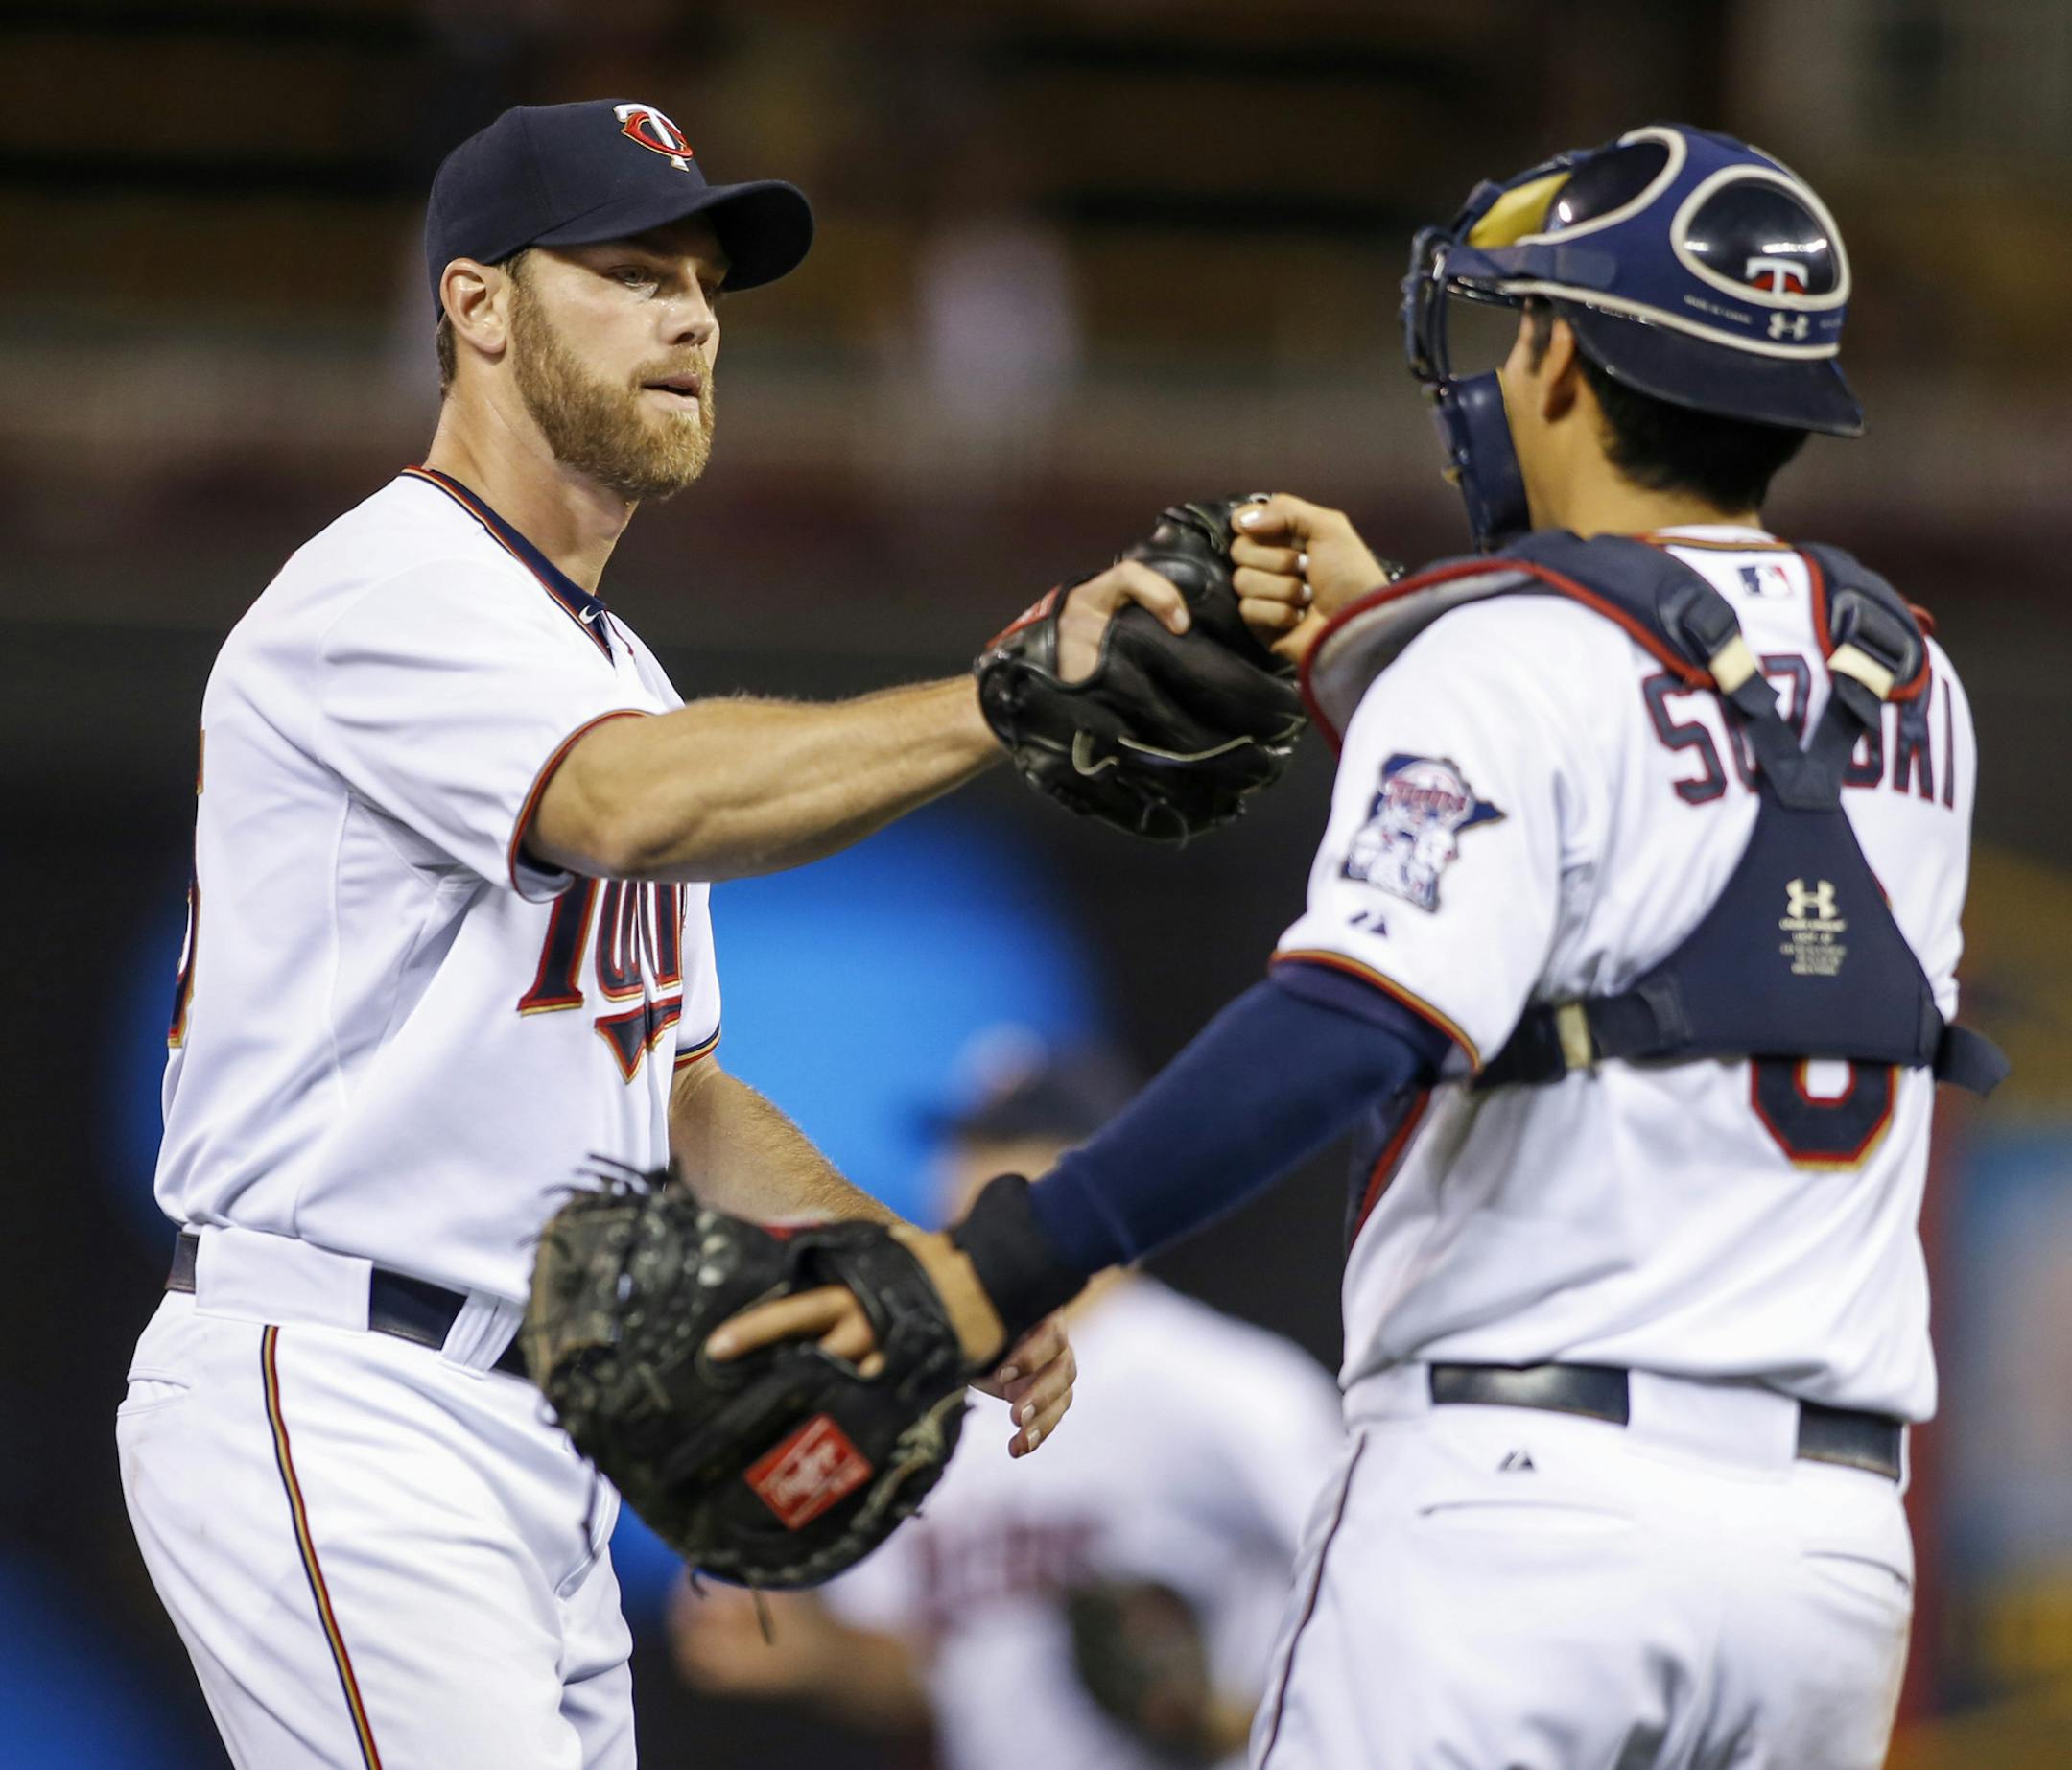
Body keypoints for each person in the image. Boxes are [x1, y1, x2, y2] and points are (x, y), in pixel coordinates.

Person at [714, 124, 2007, 1768]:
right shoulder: (1912, 684)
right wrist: (1390, 639)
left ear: (1565, 360)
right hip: (1827, 1560)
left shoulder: (1506, 660)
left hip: (1524, 1510)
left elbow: (1349, 1020)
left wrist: (1004, 1266)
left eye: (1523, 323)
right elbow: (1658, 831)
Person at [116, 99, 1303, 1770]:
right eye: (628, 273)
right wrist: (1004, 698)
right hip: (346, 1382)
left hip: (535, 1437)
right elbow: (626, 805)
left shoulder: (615, 667)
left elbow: (677, 1094)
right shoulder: (388, 587)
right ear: (478, 306)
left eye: (703, 285)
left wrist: (919, 1270)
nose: (690, 319)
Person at [672, 1046, 1344, 1770]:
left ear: (1095, 1166)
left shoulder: (1225, 1385)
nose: (957, 1175)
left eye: (999, 1147)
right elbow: (933, 1679)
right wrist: (821, 1654)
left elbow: (1384, 1580)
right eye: (960, 1148)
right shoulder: (909, 1403)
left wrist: (1243, 1719)